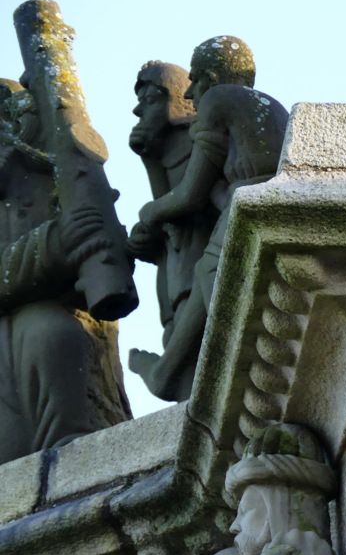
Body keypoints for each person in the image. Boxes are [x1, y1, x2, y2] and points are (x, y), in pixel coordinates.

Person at [128, 36, 288, 400]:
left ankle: (226, 367)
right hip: (259, 204)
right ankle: (171, 373)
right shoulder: (267, 106)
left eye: (196, 80)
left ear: (212, 76)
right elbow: (218, 191)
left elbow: (189, 195)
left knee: (210, 274)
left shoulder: (218, 100)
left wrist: (148, 212)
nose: (191, 94)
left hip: (249, 208)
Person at [0, 79, 131, 463]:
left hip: (55, 324)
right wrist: (54, 244)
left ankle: (73, 456)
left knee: (49, 332)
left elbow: (102, 259)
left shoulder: (56, 177)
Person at [128, 61, 214, 356]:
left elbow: (189, 202)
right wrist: (145, 240)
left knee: (202, 342)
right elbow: (169, 229)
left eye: (149, 100)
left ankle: (162, 374)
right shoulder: (163, 148)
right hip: (175, 277)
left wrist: (151, 214)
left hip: (203, 264)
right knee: (178, 338)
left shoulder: (199, 138)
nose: (138, 112)